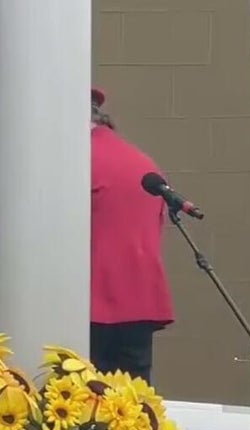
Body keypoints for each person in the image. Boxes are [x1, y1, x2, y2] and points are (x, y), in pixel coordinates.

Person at [90, 88, 174, 382]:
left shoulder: (73, 160)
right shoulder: (141, 162)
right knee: (132, 403)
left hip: (88, 305)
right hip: (138, 304)